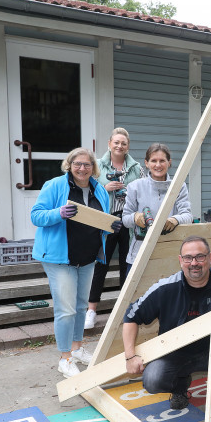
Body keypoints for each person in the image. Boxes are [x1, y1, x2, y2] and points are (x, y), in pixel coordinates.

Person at [123, 236, 211, 419]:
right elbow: (131, 317)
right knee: (153, 379)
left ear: (210, 258)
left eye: (200, 257)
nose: (194, 263)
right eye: (188, 258)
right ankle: (180, 387)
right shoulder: (165, 289)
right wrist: (130, 355)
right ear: (180, 261)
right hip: (175, 354)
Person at [31, 148, 120, 378]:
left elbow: (100, 220)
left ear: (94, 167)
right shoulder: (55, 185)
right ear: (69, 165)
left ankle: (77, 349)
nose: (82, 168)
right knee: (66, 310)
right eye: (77, 164)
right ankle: (65, 358)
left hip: (88, 257)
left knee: (81, 306)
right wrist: (59, 213)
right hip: (60, 258)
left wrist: (112, 227)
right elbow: (36, 215)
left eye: (87, 165)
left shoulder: (99, 190)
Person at [85, 127, 144, 329]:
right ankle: (91, 311)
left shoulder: (136, 168)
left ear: (128, 147)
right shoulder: (97, 166)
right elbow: (87, 190)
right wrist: (103, 188)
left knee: (126, 266)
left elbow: (143, 191)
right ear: (109, 143)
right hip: (105, 220)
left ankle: (124, 310)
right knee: (100, 265)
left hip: (128, 221)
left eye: (124, 143)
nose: (120, 146)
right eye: (116, 142)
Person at [122, 143, 193, 272]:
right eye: (153, 161)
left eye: (162, 161)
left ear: (169, 163)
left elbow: (187, 215)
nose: (158, 165)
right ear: (146, 163)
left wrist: (175, 219)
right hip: (140, 252)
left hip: (171, 251)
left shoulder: (179, 186)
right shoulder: (135, 186)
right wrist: (135, 217)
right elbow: (125, 219)